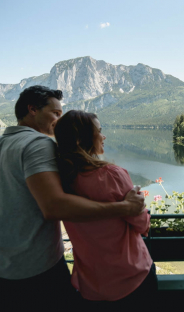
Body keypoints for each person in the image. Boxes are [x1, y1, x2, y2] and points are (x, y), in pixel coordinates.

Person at [0, 86, 145, 311]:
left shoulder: (4, 143)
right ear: (32, 110)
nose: (59, 121)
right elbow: (54, 206)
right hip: (38, 266)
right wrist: (124, 207)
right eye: (56, 114)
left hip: (7, 266)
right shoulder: (38, 144)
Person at [54, 110, 157, 310]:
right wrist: (139, 206)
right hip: (132, 276)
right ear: (80, 140)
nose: (104, 136)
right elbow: (142, 225)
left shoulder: (61, 179)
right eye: (99, 131)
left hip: (92, 285)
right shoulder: (112, 175)